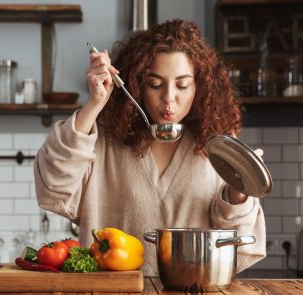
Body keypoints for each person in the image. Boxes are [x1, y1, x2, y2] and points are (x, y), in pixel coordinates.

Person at [34, 19, 266, 276]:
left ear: (199, 87)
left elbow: (240, 242)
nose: (169, 97)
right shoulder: (104, 142)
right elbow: (54, 186)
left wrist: (239, 191)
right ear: (137, 85)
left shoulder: (220, 148)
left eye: (182, 85)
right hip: (113, 293)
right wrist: (95, 104)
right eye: (155, 84)